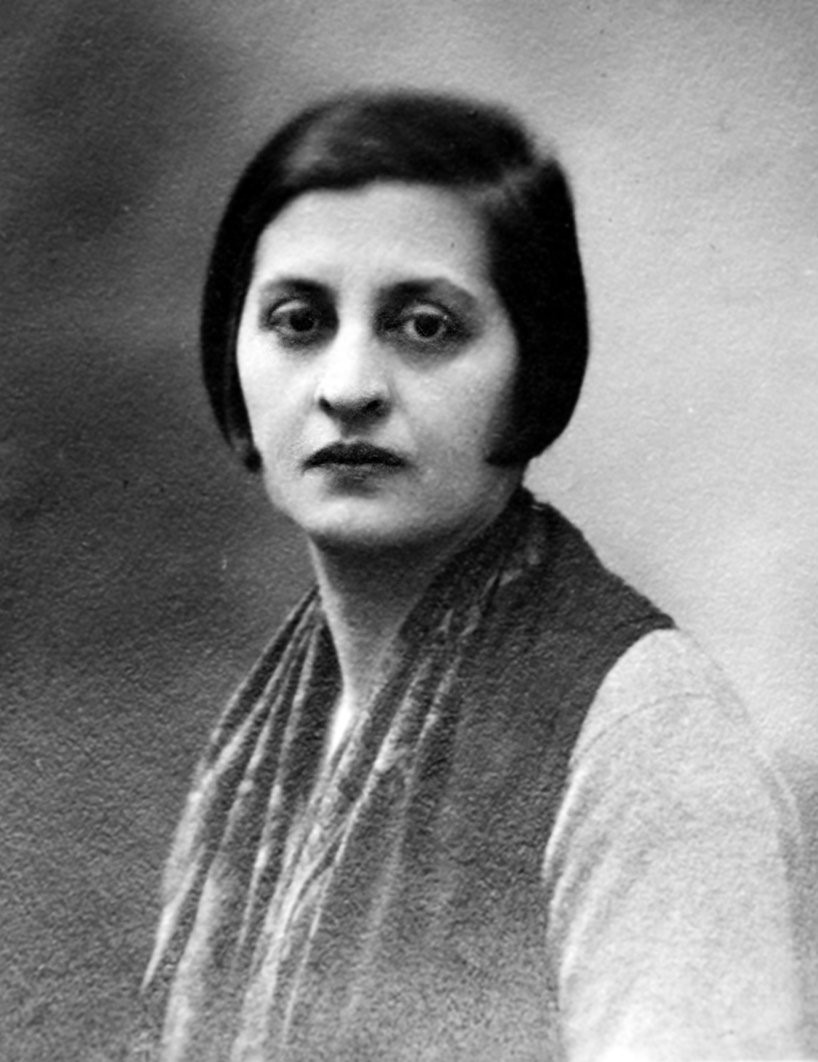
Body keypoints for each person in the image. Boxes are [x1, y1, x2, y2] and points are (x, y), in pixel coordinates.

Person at [139, 90, 814, 1060]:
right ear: (230, 361)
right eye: (299, 320)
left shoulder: (646, 732)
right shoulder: (274, 732)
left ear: (533, 367)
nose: (349, 387)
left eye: (424, 326)